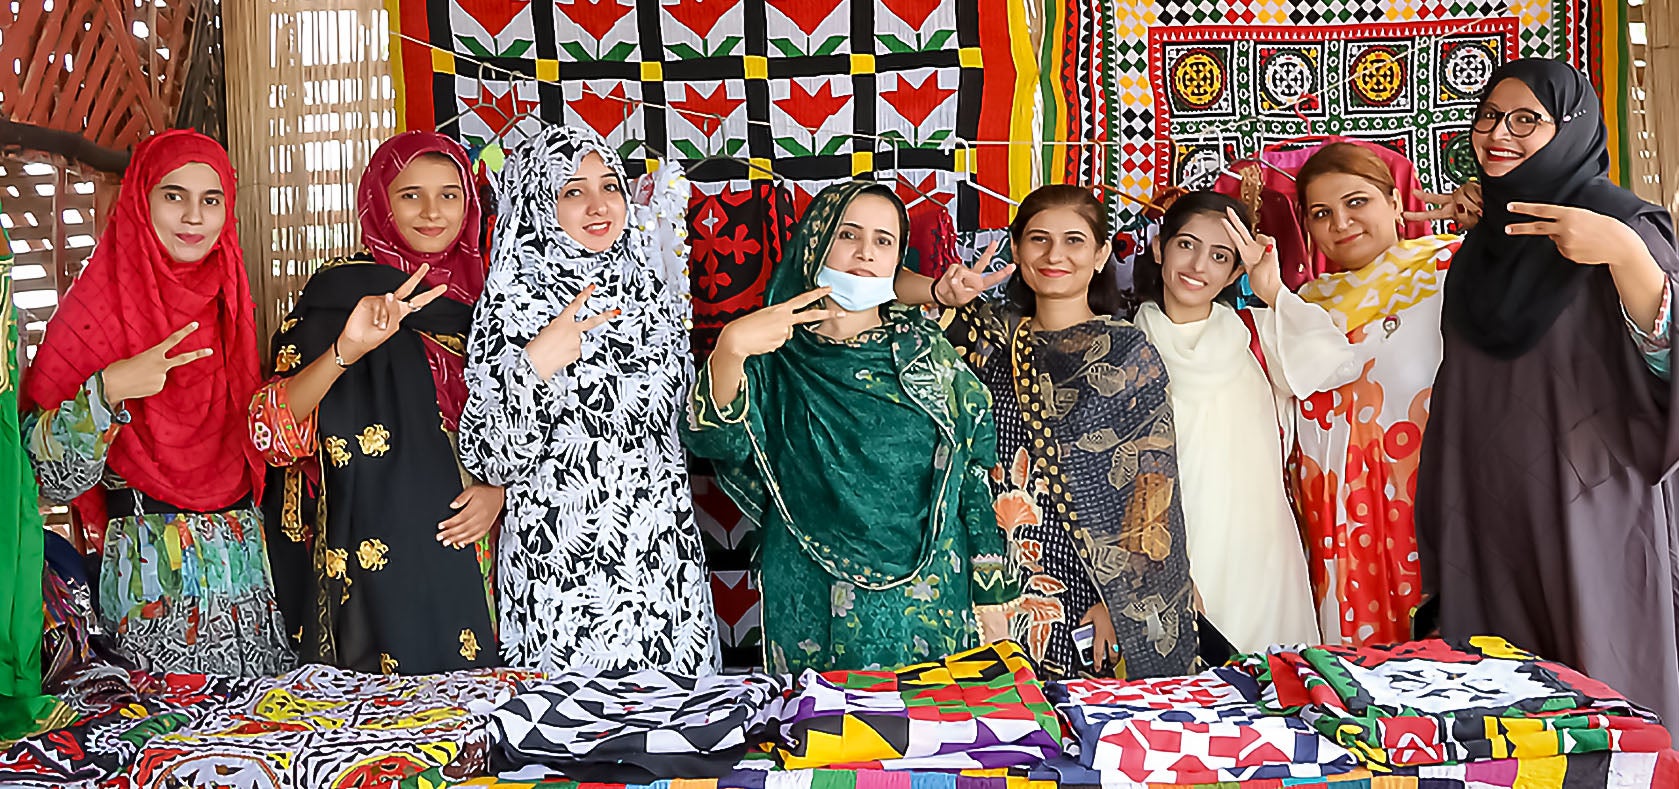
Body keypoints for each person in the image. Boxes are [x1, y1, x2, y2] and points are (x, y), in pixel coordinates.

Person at [1414, 58, 1679, 727]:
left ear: (1570, 130)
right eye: (1487, 117)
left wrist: (1625, 255)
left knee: (1599, 689)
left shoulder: (1622, 225)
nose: (1497, 133)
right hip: (1482, 508)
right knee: (1499, 699)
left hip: (1587, 505)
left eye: (1525, 119)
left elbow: (1665, 357)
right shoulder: (1488, 240)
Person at [684, 181, 1018, 675]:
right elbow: (720, 442)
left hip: (930, 600)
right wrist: (730, 350)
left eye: (884, 241)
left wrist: (993, 595)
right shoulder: (772, 358)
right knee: (818, 741)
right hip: (809, 592)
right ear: (816, 243)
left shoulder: (929, 358)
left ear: (896, 260)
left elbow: (972, 474)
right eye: (848, 234)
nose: (865, 253)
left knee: (930, 743)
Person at [895, 185, 1200, 679]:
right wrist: (937, 291)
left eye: (1074, 241)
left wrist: (1119, 602)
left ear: (1102, 254)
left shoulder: (1127, 352)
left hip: (1092, 581)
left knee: (1090, 735)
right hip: (994, 573)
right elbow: (869, 288)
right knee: (1003, 734)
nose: (1055, 255)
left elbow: (1153, 487)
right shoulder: (988, 336)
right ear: (1015, 250)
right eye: (1038, 240)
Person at [20, 129, 293, 677]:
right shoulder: (95, 308)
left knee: (255, 742)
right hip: (148, 574)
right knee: (164, 742)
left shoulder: (229, 294)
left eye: (210, 200)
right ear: (141, 200)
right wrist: (109, 390)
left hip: (242, 571)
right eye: (174, 196)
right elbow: (42, 477)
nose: (194, 217)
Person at [460, 126, 718, 675]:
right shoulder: (511, 301)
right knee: (572, 740)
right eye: (572, 190)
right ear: (536, 199)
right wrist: (534, 365)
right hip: (565, 560)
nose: (599, 206)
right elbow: (488, 457)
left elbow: (680, 421)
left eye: (610, 186)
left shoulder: (650, 290)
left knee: (674, 738)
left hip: (659, 550)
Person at [248, 131, 502, 674]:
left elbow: (555, 424)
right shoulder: (341, 296)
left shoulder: (501, 295)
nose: (433, 212)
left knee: (488, 726)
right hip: (371, 552)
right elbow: (269, 431)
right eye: (410, 194)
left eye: (450, 194)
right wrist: (347, 350)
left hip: (489, 552)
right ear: (379, 200)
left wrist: (500, 491)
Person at [1131, 191, 1359, 653]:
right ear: (1159, 247)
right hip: (1170, 553)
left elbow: (1336, 362)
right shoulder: (1125, 347)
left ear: (1237, 271)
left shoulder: (1256, 334)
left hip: (1261, 556)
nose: (1198, 266)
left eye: (1220, 256)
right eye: (1186, 245)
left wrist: (1272, 289)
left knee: (1276, 698)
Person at [1289, 143, 1462, 646]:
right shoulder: (1302, 308)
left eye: (1357, 202)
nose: (1341, 222)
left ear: (1394, 201)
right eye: (1321, 213)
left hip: (1429, 495)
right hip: (1337, 516)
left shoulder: (1450, 268)